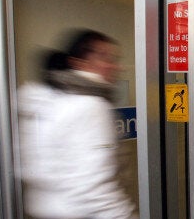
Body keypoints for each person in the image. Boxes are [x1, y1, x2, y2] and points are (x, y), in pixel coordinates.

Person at [18, 29, 137, 219]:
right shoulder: (90, 106)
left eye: (114, 59)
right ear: (78, 63)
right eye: (105, 57)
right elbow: (93, 187)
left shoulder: (48, 102)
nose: (115, 66)